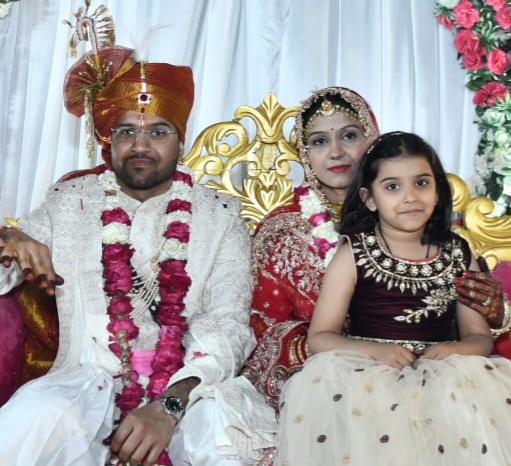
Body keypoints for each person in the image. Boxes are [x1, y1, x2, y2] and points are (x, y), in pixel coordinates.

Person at [0, 42, 276, 466]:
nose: (140, 145)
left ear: (181, 140)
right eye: (126, 131)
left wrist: (170, 405)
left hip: (191, 389)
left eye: (158, 132)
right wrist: (9, 240)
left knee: (219, 438)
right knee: (30, 420)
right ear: (109, 141)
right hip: (87, 379)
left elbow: (226, 325)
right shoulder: (69, 202)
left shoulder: (220, 217)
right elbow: (7, 273)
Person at [242, 86, 507, 414]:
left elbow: (470, 325)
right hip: (335, 380)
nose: (336, 152)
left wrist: (494, 313)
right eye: (319, 141)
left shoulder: (430, 230)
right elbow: (268, 327)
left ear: (370, 137)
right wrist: (364, 351)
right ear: (303, 153)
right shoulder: (283, 232)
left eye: (349, 136)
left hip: (440, 374)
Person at [276, 131, 511, 465]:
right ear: (369, 198)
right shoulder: (353, 253)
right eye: (392, 187)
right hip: (367, 378)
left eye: (421, 183)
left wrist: (454, 350)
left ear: (437, 191)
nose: (410, 197)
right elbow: (320, 337)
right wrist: (377, 352)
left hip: (447, 376)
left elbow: (479, 337)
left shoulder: (457, 253)